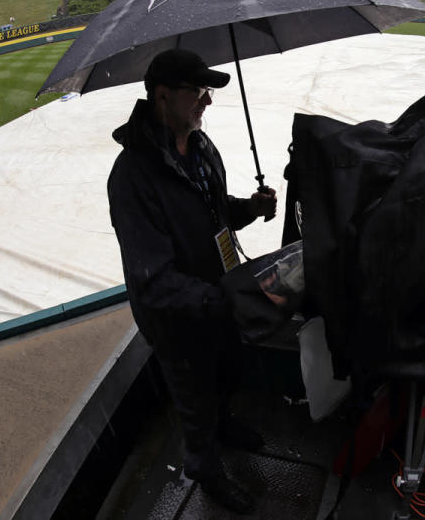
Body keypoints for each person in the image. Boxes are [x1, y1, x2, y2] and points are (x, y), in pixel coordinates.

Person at [107, 48, 277, 515]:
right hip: (179, 318)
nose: (207, 101)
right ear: (163, 96)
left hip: (218, 298)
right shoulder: (132, 178)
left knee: (226, 375)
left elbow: (212, 212)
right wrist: (224, 299)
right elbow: (152, 282)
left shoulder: (200, 148)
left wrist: (249, 209)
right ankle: (204, 468)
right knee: (195, 398)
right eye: (198, 92)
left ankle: (224, 425)